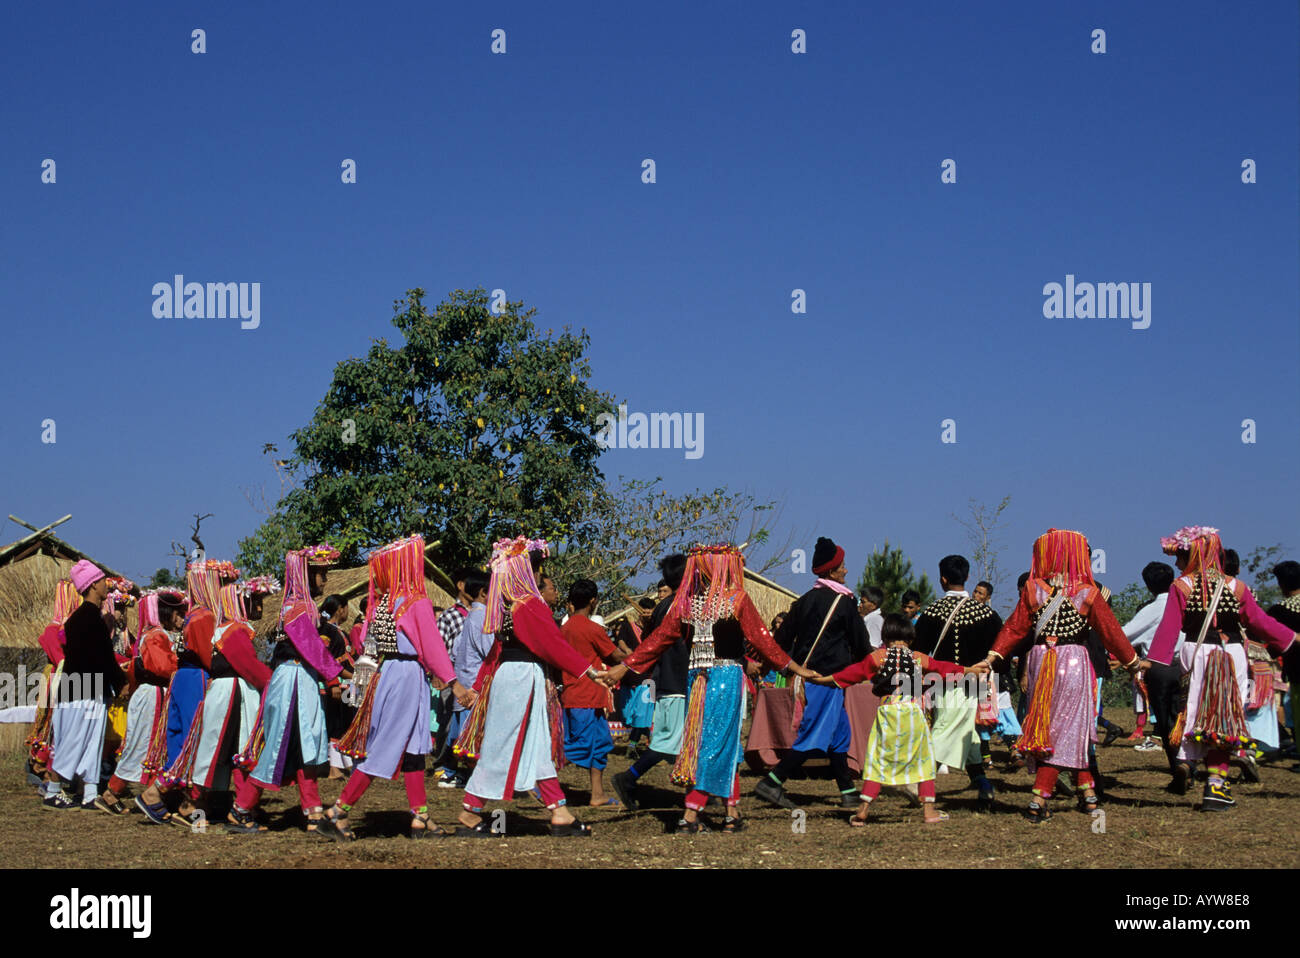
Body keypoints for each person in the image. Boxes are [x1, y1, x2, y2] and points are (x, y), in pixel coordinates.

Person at [602, 545, 814, 831]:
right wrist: (795, 667)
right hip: (722, 678)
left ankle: (731, 813)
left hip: (700, 679)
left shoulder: (689, 603)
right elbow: (762, 640)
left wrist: (623, 667)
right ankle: (692, 814)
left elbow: (658, 640)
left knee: (718, 744)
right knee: (713, 745)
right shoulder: (732, 599)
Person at [975, 529, 1141, 824]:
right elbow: (1110, 632)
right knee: (1069, 727)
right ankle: (1040, 798)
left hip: (1041, 659)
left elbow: (1014, 628)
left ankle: (1087, 793)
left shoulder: (1033, 588)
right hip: (1074, 661)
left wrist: (993, 656)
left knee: (1048, 726)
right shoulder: (1088, 592)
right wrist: (1132, 662)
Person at [453, 537, 604, 837]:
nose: (539, 577)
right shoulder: (529, 604)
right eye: (537, 571)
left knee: (534, 747)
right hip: (522, 678)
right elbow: (552, 644)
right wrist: (588, 670)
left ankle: (559, 811)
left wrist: (478, 685)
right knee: (502, 748)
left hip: (514, 677)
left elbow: (496, 651)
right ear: (528, 572)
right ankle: (469, 812)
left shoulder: (506, 605)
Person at [323, 536, 471, 839]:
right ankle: (337, 812)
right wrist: (454, 684)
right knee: (384, 748)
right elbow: (431, 646)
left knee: (414, 750)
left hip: (390, 671)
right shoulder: (417, 602)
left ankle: (421, 817)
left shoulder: (385, 603)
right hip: (406, 674)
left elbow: (368, 641)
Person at [1146, 527, 1297, 811]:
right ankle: (1216, 785)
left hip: (1196, 654)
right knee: (1225, 716)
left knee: (1192, 710)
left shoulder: (1182, 586)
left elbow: (1168, 630)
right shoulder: (1236, 587)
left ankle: (1185, 760)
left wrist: (1154, 663)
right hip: (1231, 655)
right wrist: (1292, 638)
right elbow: (1258, 621)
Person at [812, 614, 974, 826]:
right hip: (913, 713)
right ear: (909, 636)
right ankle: (929, 811)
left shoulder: (879, 657)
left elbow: (852, 674)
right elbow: (942, 668)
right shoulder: (917, 657)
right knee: (923, 760)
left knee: (877, 759)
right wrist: (969, 670)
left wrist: (824, 679)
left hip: (888, 713)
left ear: (886, 635)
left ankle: (863, 809)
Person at [226, 546, 344, 833]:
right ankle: (241, 808)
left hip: (299, 678)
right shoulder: (298, 607)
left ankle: (312, 809)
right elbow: (309, 645)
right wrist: (333, 676)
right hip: (293, 680)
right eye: (321, 574)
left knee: (305, 745)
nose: (325, 580)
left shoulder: (299, 605)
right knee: (279, 746)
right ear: (307, 574)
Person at [755, 536, 870, 810]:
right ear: (831, 570)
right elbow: (860, 642)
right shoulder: (844, 603)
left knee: (840, 735)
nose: (845, 570)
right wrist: (869, 667)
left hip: (806, 677)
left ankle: (847, 790)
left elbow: (781, 641)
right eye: (841, 566)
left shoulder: (803, 602)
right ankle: (772, 782)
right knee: (813, 737)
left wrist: (770, 666)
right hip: (827, 680)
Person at [913, 554, 1002, 809]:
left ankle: (918, 784)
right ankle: (983, 784)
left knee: (942, 729)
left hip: (942, 679)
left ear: (942, 579)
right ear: (967, 577)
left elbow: (918, 650)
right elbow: (1000, 650)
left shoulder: (931, 611)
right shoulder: (986, 613)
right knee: (965, 732)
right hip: (973, 682)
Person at [610, 554, 690, 811]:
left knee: (677, 741)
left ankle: (695, 793)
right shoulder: (679, 607)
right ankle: (629, 777)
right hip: (676, 681)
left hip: (668, 680)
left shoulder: (663, 608)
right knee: (670, 741)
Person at [46, 560, 127, 811]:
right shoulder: (88, 619)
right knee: (74, 739)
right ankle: (52, 790)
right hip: (81, 690)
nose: (106, 585)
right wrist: (120, 681)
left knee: (93, 740)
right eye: (103, 581)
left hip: (87, 689)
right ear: (93, 585)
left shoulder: (84, 618)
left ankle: (90, 792)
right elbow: (102, 656)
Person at [100, 590, 184, 812]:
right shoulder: (156, 636)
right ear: (166, 613)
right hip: (153, 695)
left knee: (150, 744)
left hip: (152, 694)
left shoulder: (150, 635)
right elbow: (161, 666)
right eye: (177, 613)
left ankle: (146, 793)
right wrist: (183, 667)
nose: (180, 618)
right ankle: (115, 792)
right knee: (145, 743)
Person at [561, 578, 627, 806]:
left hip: (577, 695)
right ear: (593, 601)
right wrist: (632, 655)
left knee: (599, 745)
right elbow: (614, 656)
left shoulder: (564, 629)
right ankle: (541, 781)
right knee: (579, 745)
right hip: (586, 695)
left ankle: (597, 794)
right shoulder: (592, 629)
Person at [1122, 562, 1183, 772]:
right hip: (1186, 667)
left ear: (1148, 586)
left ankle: (1178, 765)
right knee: (1184, 717)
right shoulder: (1186, 603)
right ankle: (1188, 761)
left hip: (1159, 668)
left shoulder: (1152, 609)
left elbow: (1126, 634)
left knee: (1165, 722)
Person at [436, 570, 491, 788]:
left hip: (464, 680)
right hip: (475, 684)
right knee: (471, 733)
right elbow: (489, 652)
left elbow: (456, 649)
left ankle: (451, 772)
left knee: (461, 731)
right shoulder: (482, 619)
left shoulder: (471, 617)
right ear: (484, 593)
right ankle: (466, 776)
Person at [27, 579, 78, 790]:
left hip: (68, 677)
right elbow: (60, 658)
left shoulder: (69, 628)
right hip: (56, 678)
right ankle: (39, 765)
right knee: (49, 723)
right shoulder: (53, 629)